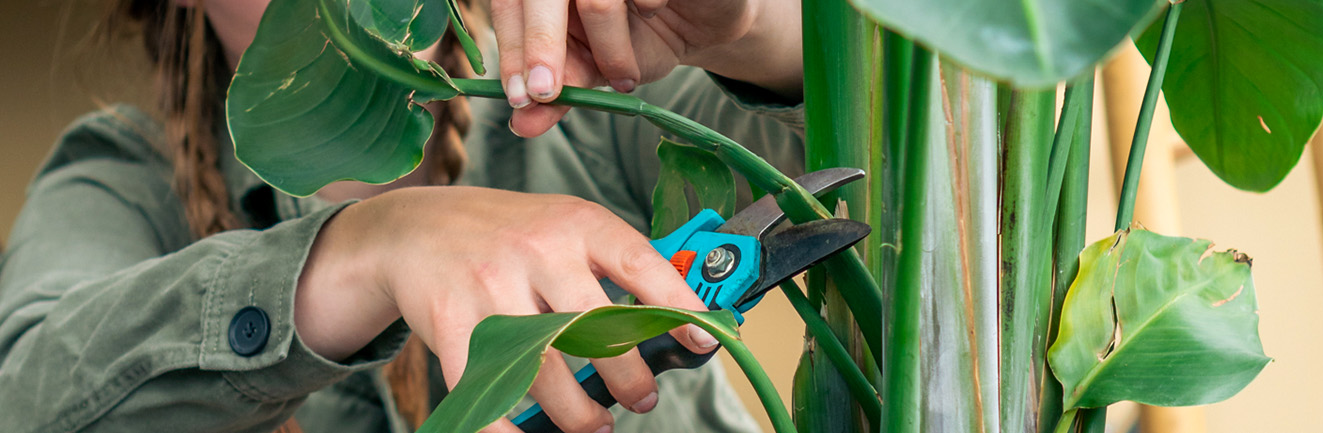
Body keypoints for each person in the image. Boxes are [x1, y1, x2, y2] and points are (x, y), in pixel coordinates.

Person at [0, 0, 807, 432]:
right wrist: (372, 249)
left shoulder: (589, 89)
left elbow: (883, 198)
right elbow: (27, 396)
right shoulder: (120, 182)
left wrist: (758, 39)